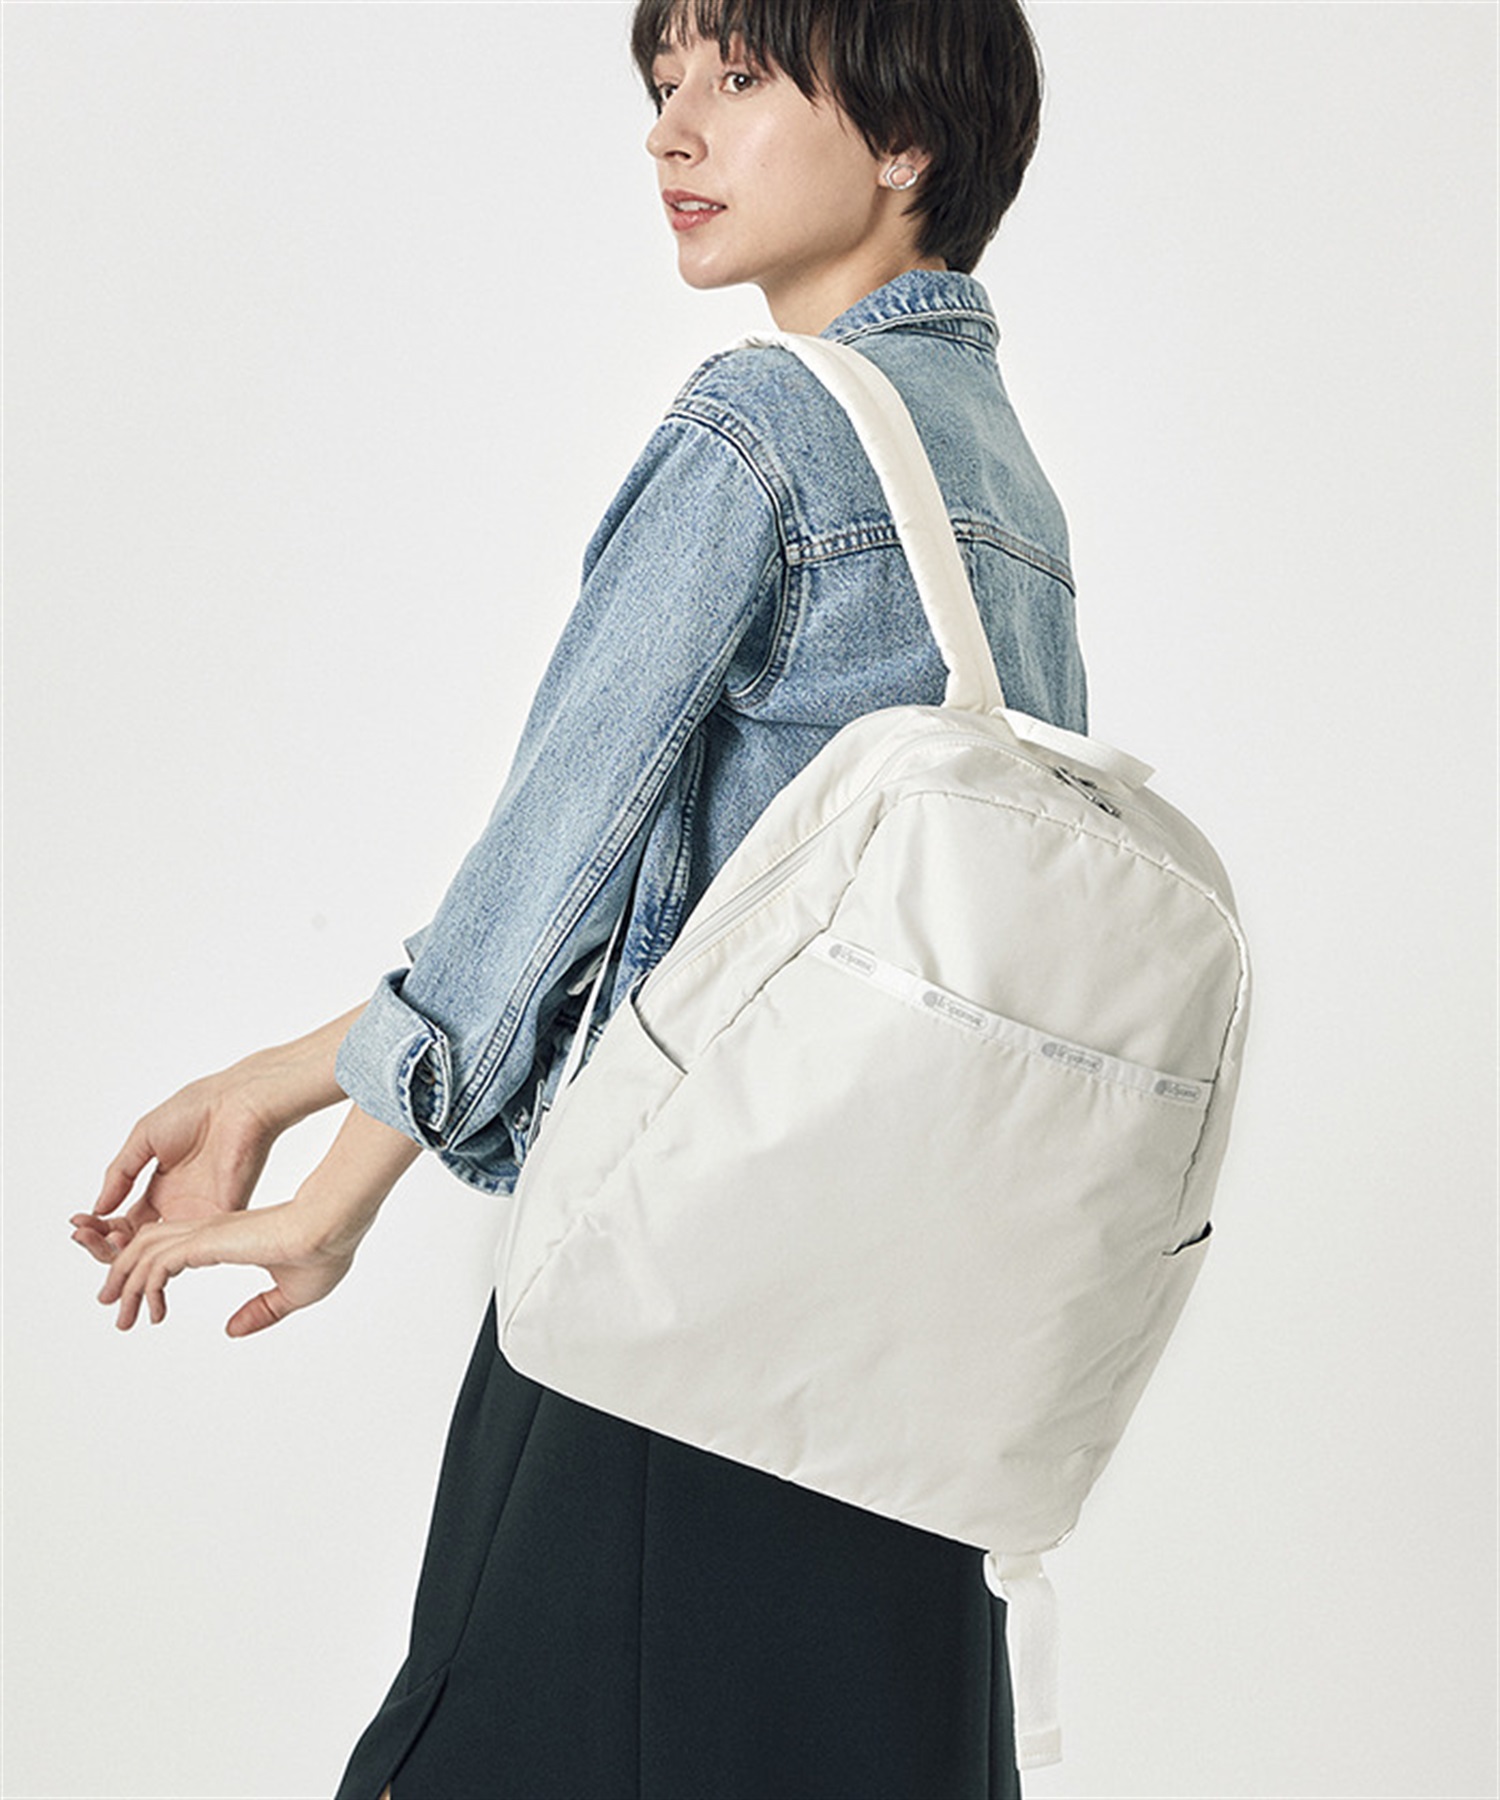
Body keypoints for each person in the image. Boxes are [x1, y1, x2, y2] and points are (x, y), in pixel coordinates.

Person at [71, 0, 1087, 1793]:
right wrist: (315, 1115)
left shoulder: (765, 428)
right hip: (914, 1351)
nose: (671, 130)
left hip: (681, 1307)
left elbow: (557, 860)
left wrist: (318, 1163)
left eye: (738, 77)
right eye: (663, 82)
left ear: (908, 136)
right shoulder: (1000, 480)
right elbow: (725, 919)